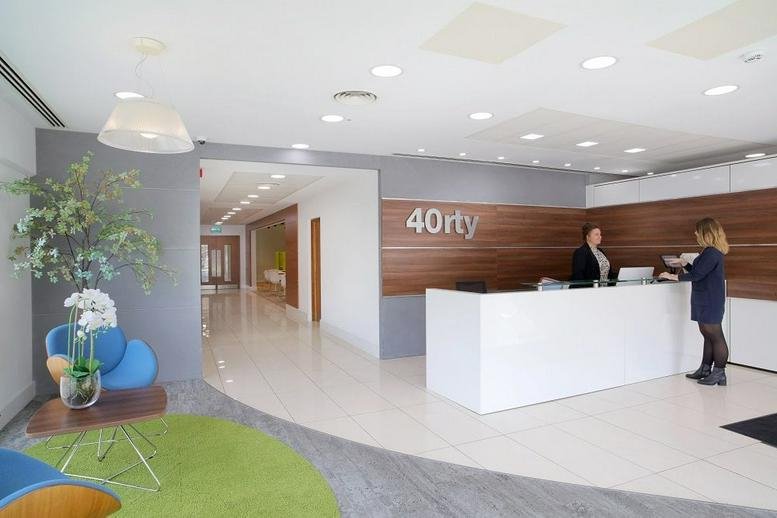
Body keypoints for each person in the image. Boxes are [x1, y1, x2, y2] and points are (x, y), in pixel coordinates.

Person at [659, 217, 729, 386]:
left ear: (706, 232)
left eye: (698, 230)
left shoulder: (712, 252)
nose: (695, 233)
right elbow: (700, 271)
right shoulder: (708, 251)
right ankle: (705, 369)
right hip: (704, 297)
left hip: (710, 299)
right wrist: (685, 263)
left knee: (716, 336)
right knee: (707, 335)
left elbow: (697, 275)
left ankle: (720, 373)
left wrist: (672, 276)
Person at [571, 223, 613, 287]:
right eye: (596, 234)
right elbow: (578, 277)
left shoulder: (600, 251)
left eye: (600, 234)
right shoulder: (580, 252)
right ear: (588, 237)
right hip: (589, 291)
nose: (600, 237)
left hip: (604, 290)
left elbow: (608, 273)